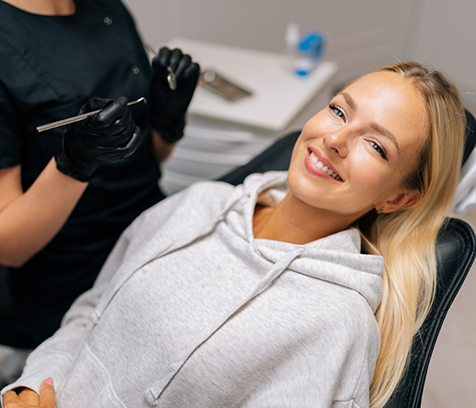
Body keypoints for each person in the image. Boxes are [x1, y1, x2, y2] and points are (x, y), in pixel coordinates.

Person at [1, 62, 466, 408]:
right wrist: (29, 386)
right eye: (339, 111)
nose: (336, 140)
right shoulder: (199, 203)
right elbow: (89, 313)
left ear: (398, 199)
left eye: (375, 145)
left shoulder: (335, 323)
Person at [0, 0, 200, 347]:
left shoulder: (108, 10)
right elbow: (9, 247)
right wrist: (74, 161)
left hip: (151, 231)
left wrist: (168, 118)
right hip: (71, 273)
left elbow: (147, 159)